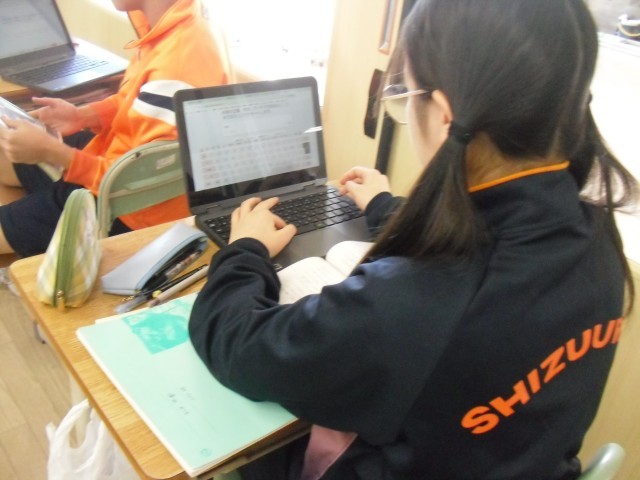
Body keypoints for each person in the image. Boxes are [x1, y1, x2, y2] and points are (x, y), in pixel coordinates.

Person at [188, 0, 638, 478]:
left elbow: (242, 348)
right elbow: (486, 238)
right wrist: (386, 207)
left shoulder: (417, 298)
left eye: (408, 96)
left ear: (442, 115)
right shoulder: (595, 235)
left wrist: (245, 249)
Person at [0, 0, 228, 257]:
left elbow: (128, 183)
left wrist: (51, 152)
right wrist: (83, 115)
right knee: (6, 152)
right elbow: (134, 100)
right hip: (120, 164)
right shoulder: (177, 24)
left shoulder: (175, 65)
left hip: (130, 210)